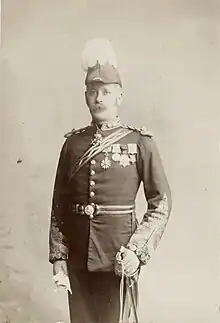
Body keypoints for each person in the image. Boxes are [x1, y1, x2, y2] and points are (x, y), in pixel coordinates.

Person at [49, 38, 172, 323]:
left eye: (106, 91)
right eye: (93, 91)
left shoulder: (139, 143)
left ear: (120, 96)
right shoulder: (73, 145)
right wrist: (59, 259)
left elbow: (160, 204)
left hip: (118, 259)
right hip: (77, 262)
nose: (99, 98)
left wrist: (138, 252)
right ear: (85, 96)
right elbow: (59, 206)